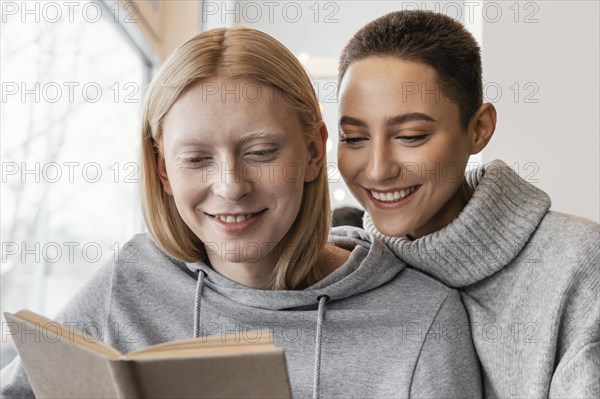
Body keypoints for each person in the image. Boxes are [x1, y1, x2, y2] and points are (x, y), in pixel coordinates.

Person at [1, 26, 481, 398]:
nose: (231, 186)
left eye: (261, 152)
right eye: (196, 159)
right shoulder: (129, 281)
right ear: (163, 171)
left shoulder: (423, 317)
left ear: (314, 151)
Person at [336, 10, 600, 398]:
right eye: (355, 138)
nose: (377, 170)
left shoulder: (577, 263)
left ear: (479, 129)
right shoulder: (346, 267)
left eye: (410, 136)